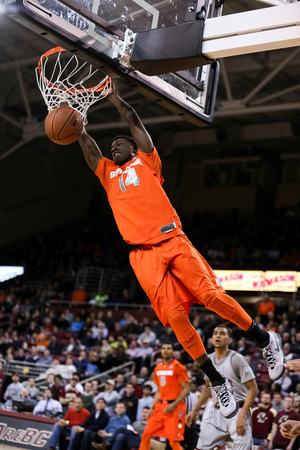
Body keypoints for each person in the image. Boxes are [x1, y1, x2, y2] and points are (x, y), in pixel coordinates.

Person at [78, 84, 285, 419]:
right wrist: (78, 129)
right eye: (112, 145)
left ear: (135, 147)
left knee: (212, 297)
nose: (114, 146)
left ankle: (264, 339)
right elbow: (89, 152)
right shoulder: (108, 175)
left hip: (172, 240)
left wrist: (114, 98)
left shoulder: (147, 163)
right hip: (142, 254)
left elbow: (132, 120)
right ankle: (216, 380)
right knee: (176, 319)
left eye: (120, 143)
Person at [186, 325, 258, 450]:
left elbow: (253, 389)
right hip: (216, 412)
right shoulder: (208, 359)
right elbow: (206, 389)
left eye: (222, 333)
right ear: (212, 339)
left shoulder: (237, 359)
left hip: (238, 410)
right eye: (215, 333)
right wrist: (194, 410)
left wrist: (242, 414)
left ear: (229, 340)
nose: (218, 335)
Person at [138, 341, 189, 450]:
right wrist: (152, 407)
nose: (165, 350)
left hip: (175, 407)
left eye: (168, 348)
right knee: (146, 435)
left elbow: (186, 389)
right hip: (160, 406)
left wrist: (174, 405)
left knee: (173, 443)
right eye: (163, 348)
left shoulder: (178, 366)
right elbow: (158, 391)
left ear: (173, 352)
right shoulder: (158, 368)